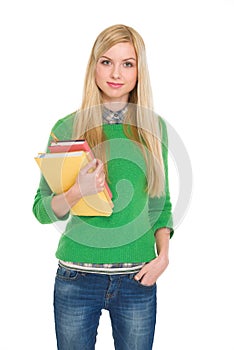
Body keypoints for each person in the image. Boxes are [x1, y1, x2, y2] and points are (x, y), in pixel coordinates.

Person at [33, 24, 174, 350]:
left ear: (139, 70)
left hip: (138, 279)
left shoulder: (154, 129)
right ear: (93, 65)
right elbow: (42, 209)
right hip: (76, 280)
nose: (116, 73)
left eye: (128, 63)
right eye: (106, 61)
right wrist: (76, 191)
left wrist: (164, 256)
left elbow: (160, 203)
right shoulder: (67, 127)